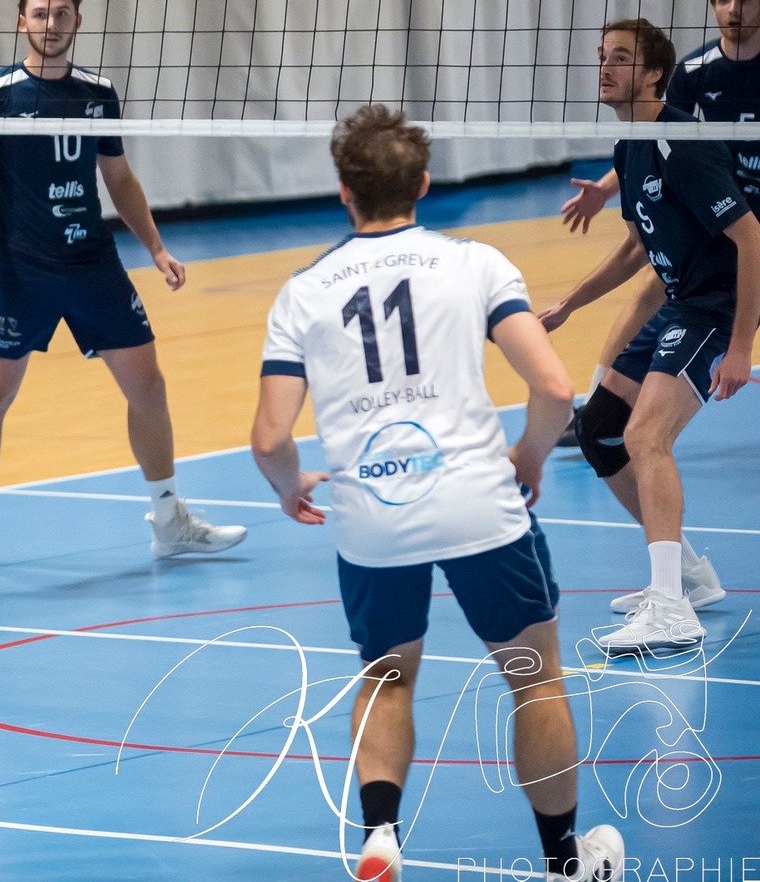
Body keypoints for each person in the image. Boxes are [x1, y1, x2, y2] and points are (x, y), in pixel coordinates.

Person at [251, 104, 625, 882]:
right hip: (477, 499)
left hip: (371, 513)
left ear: (344, 192)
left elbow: (269, 439)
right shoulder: (476, 264)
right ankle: (566, 862)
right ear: (423, 183)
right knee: (534, 675)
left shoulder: (304, 290)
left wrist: (292, 487)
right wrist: (527, 454)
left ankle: (381, 837)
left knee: (386, 674)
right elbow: (554, 386)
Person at [0, 0, 244, 571]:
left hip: (93, 262)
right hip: (23, 267)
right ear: (22, 21)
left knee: (148, 387)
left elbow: (119, 178)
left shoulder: (98, 93)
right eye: (39, 14)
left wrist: (155, 248)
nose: (50, 24)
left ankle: (169, 519)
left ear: (78, 21)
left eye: (61, 14)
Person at [538, 18, 758, 653]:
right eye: (601, 56)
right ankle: (688, 575)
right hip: (679, 300)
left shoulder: (681, 143)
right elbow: (637, 246)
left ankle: (669, 609)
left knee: (645, 435)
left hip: (712, 307)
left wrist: (741, 345)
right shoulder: (628, 145)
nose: (605, 67)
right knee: (604, 430)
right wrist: (570, 305)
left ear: (656, 73)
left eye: (621, 58)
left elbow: (751, 238)